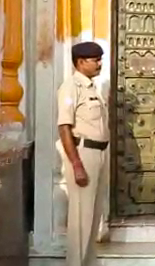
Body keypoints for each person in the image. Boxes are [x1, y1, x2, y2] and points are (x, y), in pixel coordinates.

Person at [56, 41, 109, 266]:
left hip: (99, 154)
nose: (99, 63)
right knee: (81, 219)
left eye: (99, 59)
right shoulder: (70, 88)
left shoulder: (91, 88)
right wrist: (76, 164)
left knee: (93, 216)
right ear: (80, 62)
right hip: (83, 154)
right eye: (95, 60)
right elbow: (64, 127)